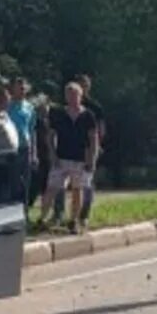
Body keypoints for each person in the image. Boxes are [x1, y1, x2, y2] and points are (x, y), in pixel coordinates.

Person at [40, 82, 98, 233]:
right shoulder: (58, 113)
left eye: (75, 94)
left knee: (77, 189)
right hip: (61, 157)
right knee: (51, 188)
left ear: (80, 96)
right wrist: (52, 154)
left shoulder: (88, 115)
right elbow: (50, 135)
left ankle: (73, 220)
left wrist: (92, 159)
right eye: (69, 94)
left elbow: (93, 139)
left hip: (80, 158)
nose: (72, 98)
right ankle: (42, 218)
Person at [54, 74, 106, 226]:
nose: (82, 88)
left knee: (85, 185)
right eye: (80, 84)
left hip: (87, 150)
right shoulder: (66, 106)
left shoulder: (94, 107)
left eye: (85, 85)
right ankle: (59, 213)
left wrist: (96, 147)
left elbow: (100, 128)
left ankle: (83, 215)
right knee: (60, 184)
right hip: (67, 150)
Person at [7, 77, 38, 206]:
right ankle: (10, 205)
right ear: (13, 89)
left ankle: (23, 207)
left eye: (23, 87)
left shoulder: (29, 107)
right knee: (12, 179)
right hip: (9, 147)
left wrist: (34, 153)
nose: (21, 90)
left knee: (26, 180)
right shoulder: (7, 105)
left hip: (25, 146)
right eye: (18, 87)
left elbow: (32, 130)